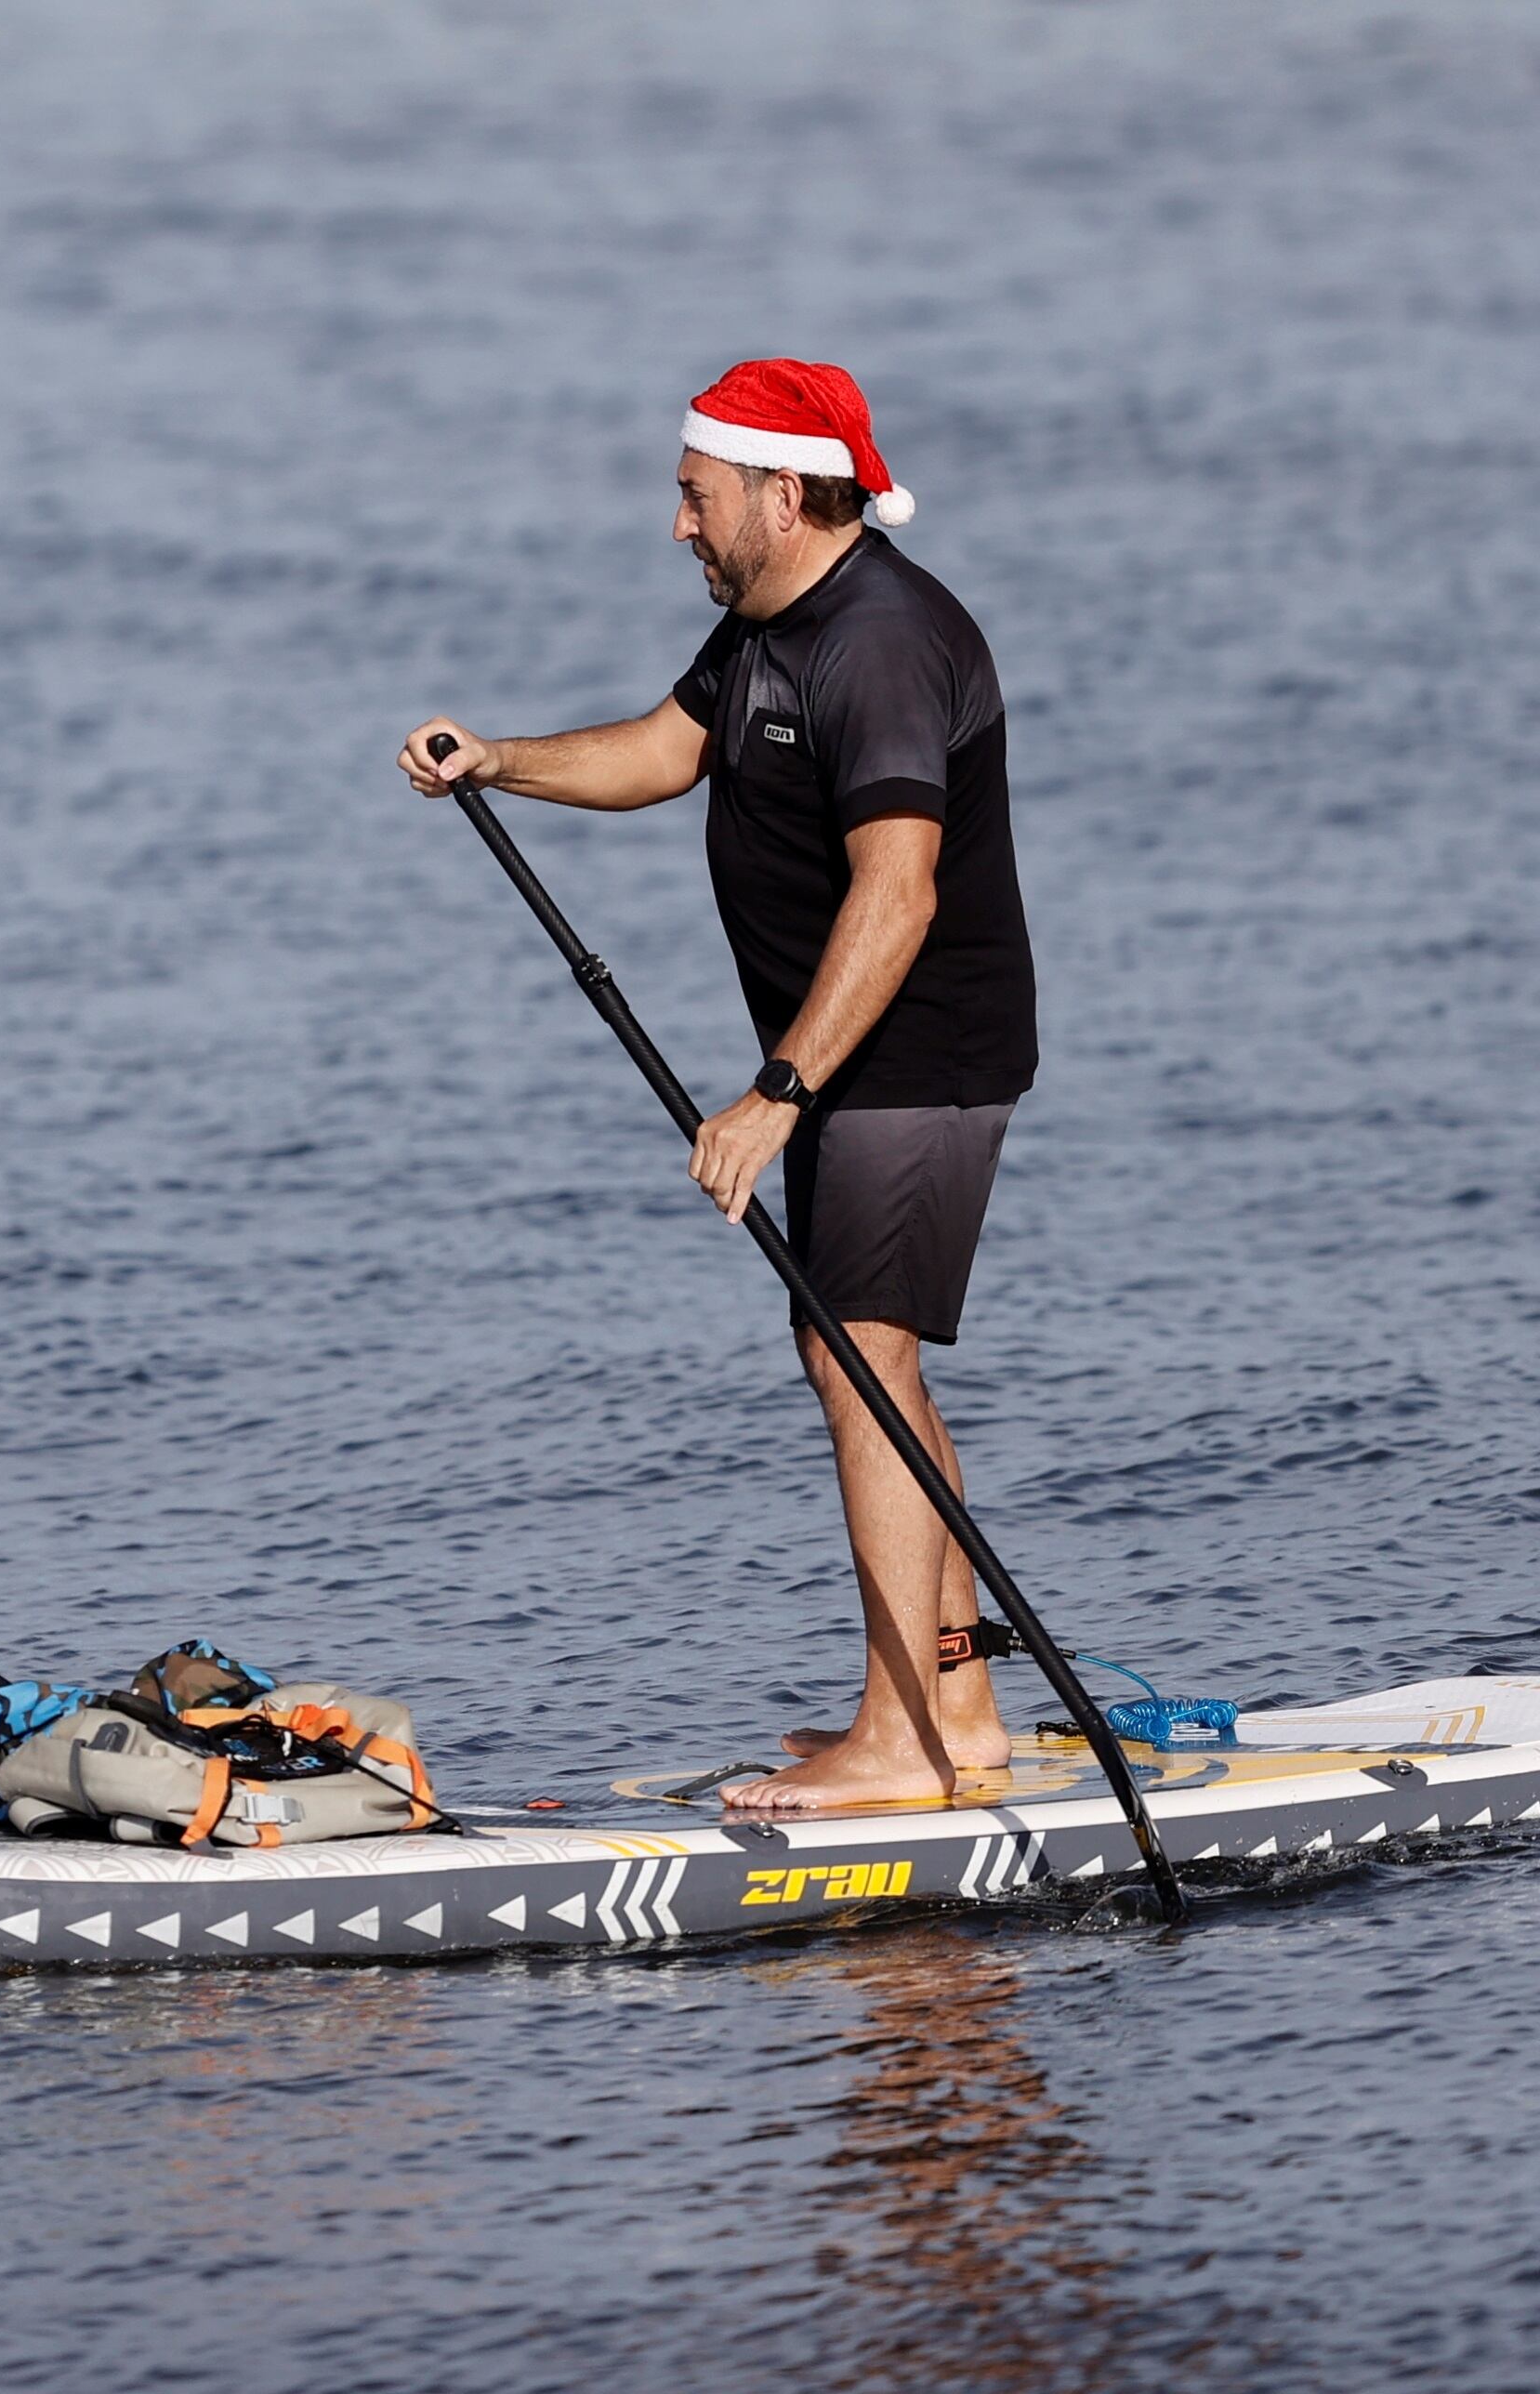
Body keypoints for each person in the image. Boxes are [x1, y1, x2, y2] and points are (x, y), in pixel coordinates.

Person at [400, 357, 1036, 1811]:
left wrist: (777, 1094)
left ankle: (907, 1744)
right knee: (859, 1357)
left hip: (909, 1054)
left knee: (860, 1359)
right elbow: (663, 751)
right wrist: (500, 759)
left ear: (781, 491)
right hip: (854, 1062)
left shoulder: (878, 642)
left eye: (696, 497)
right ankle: (961, 1713)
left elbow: (902, 891)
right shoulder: (767, 623)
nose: (677, 523)